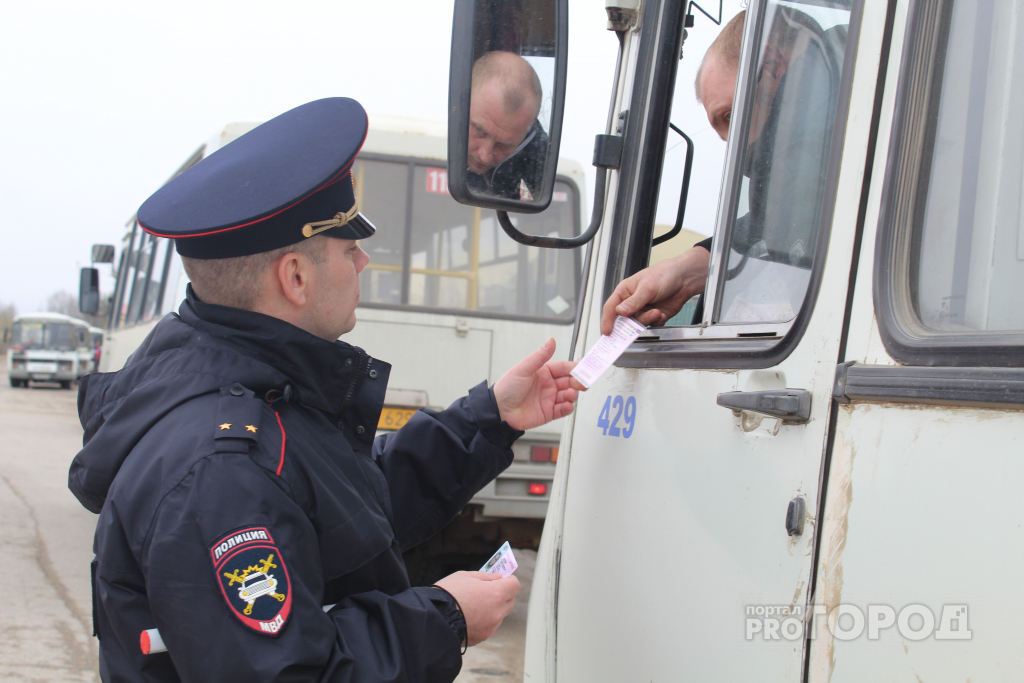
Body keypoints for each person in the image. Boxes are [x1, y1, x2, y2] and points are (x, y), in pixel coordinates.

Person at [68, 97, 584, 682]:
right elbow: (293, 674)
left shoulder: (253, 393)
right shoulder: (219, 472)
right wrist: (445, 618)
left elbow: (347, 507)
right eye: (348, 248)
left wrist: (490, 417)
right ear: (295, 277)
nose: (363, 262)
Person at [601, 8, 832, 334]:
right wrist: (685, 272)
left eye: (731, 117)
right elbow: (767, 226)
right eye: (726, 135)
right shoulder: (826, 175)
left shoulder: (825, 152)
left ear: (769, 65)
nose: (737, 150)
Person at [466, 51, 548, 201]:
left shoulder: (536, 151)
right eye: (479, 130)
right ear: (462, 106)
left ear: (525, 135)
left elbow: (553, 206)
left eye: (504, 145)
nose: (485, 157)